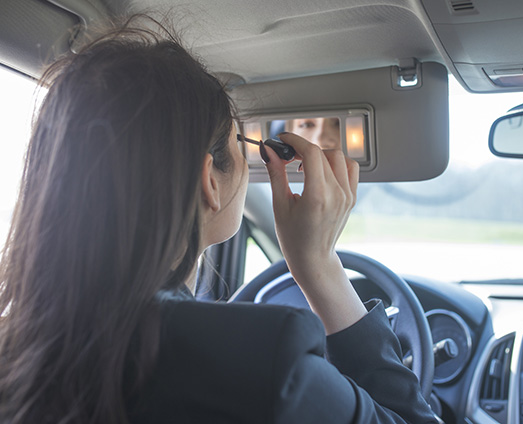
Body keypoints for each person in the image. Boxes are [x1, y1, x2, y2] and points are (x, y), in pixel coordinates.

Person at [0, 17, 436, 424]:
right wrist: (319, 265)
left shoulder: (15, 346)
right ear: (209, 179)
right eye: (239, 145)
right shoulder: (264, 362)